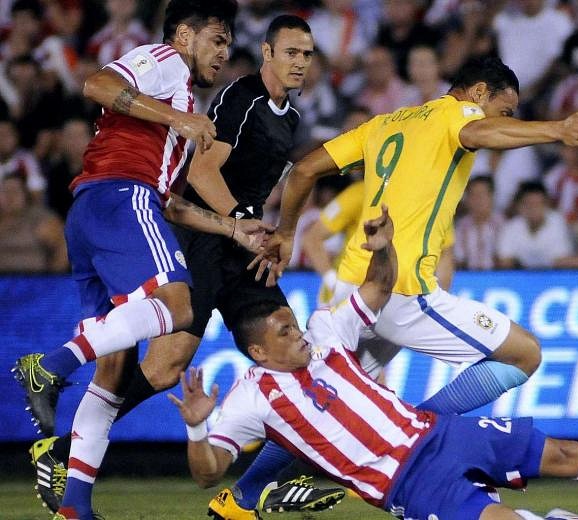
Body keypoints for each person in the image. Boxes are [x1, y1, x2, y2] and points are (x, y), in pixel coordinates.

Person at [170, 206, 578, 520]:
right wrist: (197, 423)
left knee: (563, 454)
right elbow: (205, 473)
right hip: (410, 484)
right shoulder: (250, 397)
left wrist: (385, 247)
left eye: (293, 323)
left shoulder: (327, 331)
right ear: (257, 351)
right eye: (284, 333)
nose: (298, 335)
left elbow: (377, 286)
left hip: (442, 435)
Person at [216, 56, 578, 517]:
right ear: (479, 93)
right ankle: (428, 431)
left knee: (324, 399)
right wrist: (555, 130)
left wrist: (285, 232)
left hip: (354, 288)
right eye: (507, 109)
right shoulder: (456, 116)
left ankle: (237, 500)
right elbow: (481, 132)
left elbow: (303, 171)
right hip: (398, 288)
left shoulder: (386, 122)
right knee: (525, 353)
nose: (507, 120)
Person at [27, 13, 343, 518]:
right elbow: (199, 168)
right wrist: (241, 219)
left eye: (307, 54)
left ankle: (263, 485)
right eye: (291, 52)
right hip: (201, 241)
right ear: (267, 53)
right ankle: (63, 448)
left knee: (289, 345)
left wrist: (267, 233)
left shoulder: (288, 114)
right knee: (163, 368)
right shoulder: (243, 100)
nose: (301, 62)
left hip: (238, 247)